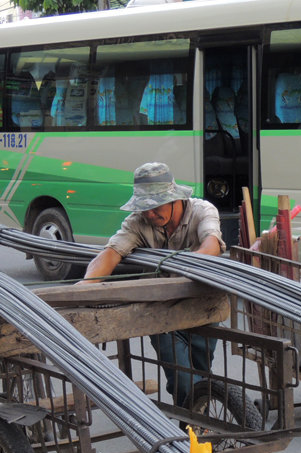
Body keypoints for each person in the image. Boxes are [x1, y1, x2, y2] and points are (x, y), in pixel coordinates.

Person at [80, 162, 225, 406]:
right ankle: (193, 427)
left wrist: (181, 268)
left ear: (174, 199)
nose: (150, 214)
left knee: (202, 373)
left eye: (155, 207)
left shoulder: (202, 211)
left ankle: (198, 422)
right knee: (181, 379)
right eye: (144, 208)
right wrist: (85, 287)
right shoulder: (138, 222)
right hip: (160, 311)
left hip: (201, 306)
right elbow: (110, 254)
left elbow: (211, 246)